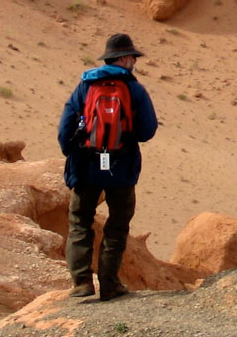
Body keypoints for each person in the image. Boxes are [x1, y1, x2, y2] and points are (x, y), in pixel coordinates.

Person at [58, 33, 158, 300]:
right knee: (117, 226)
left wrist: (74, 153)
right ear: (124, 58)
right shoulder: (134, 89)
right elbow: (148, 130)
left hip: (85, 166)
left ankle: (81, 284)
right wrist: (124, 137)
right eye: (132, 57)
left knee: (80, 223)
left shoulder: (86, 85)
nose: (134, 62)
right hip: (122, 168)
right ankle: (109, 284)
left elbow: (65, 126)